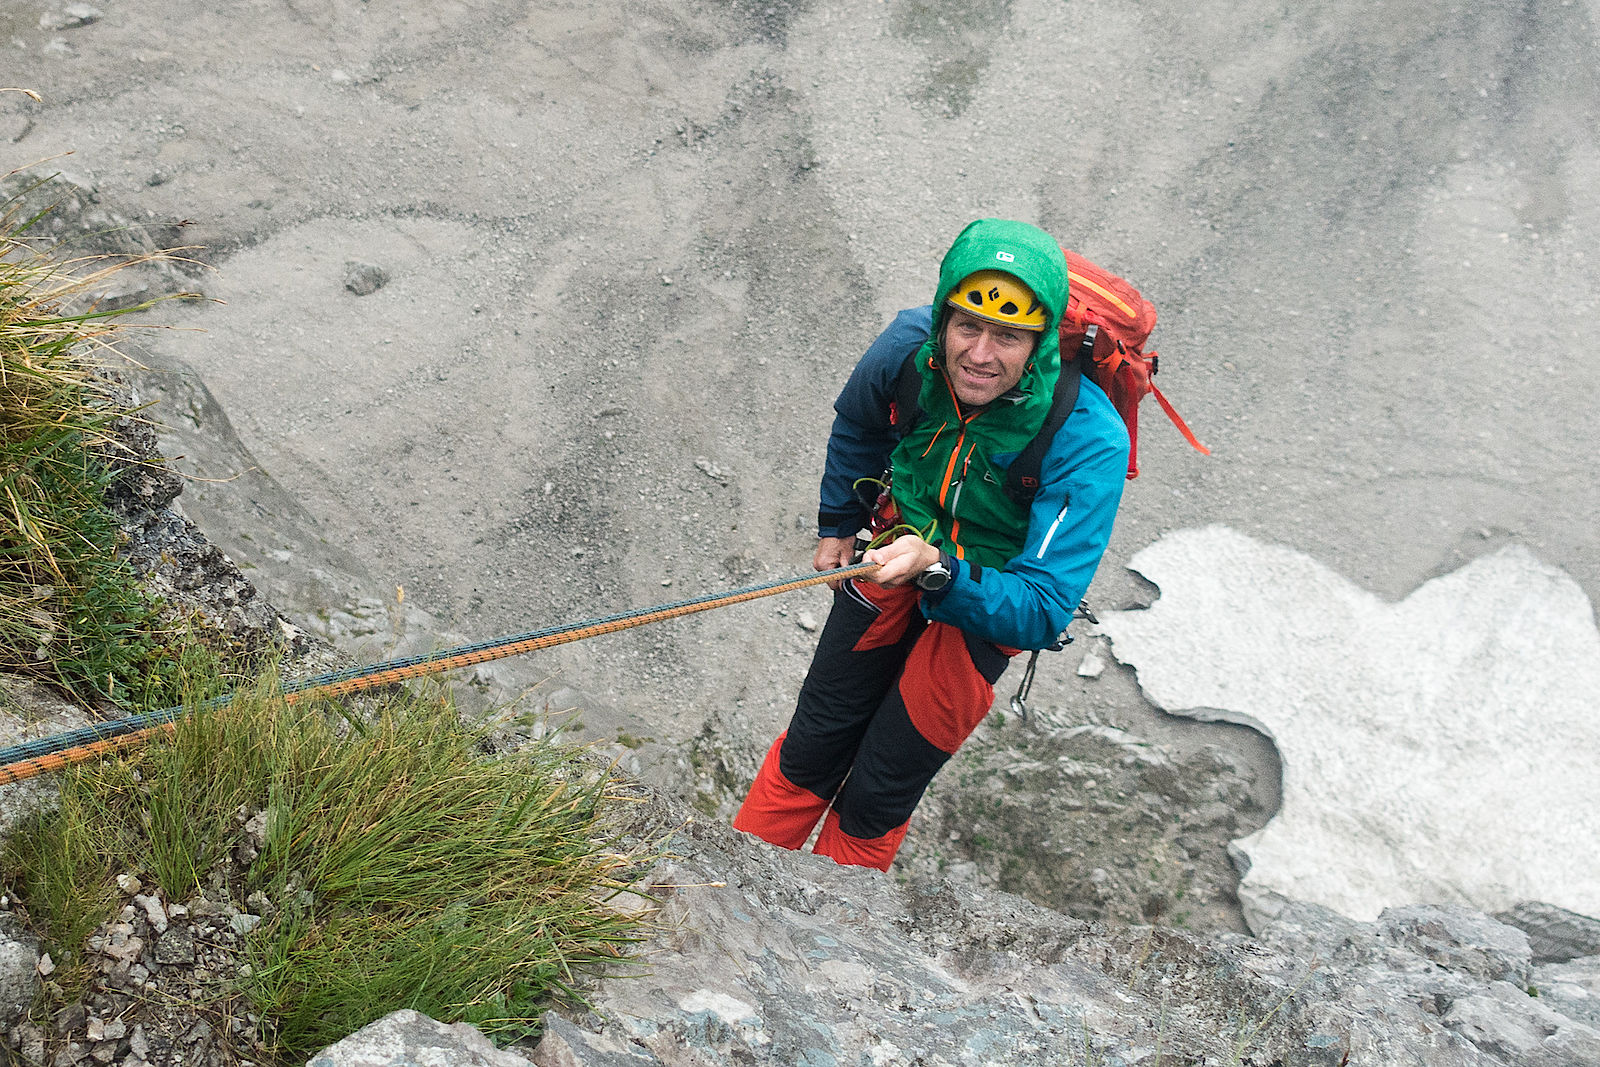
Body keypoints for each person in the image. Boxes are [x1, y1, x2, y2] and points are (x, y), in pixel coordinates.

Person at [732, 218, 1132, 871]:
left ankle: (822, 942)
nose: (979, 352)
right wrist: (839, 520)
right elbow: (861, 420)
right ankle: (727, 886)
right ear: (943, 318)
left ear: (1041, 344)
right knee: (812, 748)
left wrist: (940, 570)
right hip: (895, 544)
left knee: (878, 792)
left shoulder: (1088, 437)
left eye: (1008, 335)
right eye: (968, 326)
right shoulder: (907, 347)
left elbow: (1044, 605)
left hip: (985, 595)